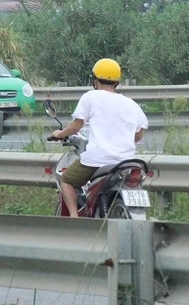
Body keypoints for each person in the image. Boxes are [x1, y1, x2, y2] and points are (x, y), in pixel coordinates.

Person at [49, 58, 149, 218]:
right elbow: (138, 134)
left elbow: (76, 125)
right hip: (125, 162)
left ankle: (74, 219)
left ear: (94, 79)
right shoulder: (131, 104)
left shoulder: (90, 97)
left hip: (98, 160)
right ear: (117, 81)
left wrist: (59, 134)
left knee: (66, 180)